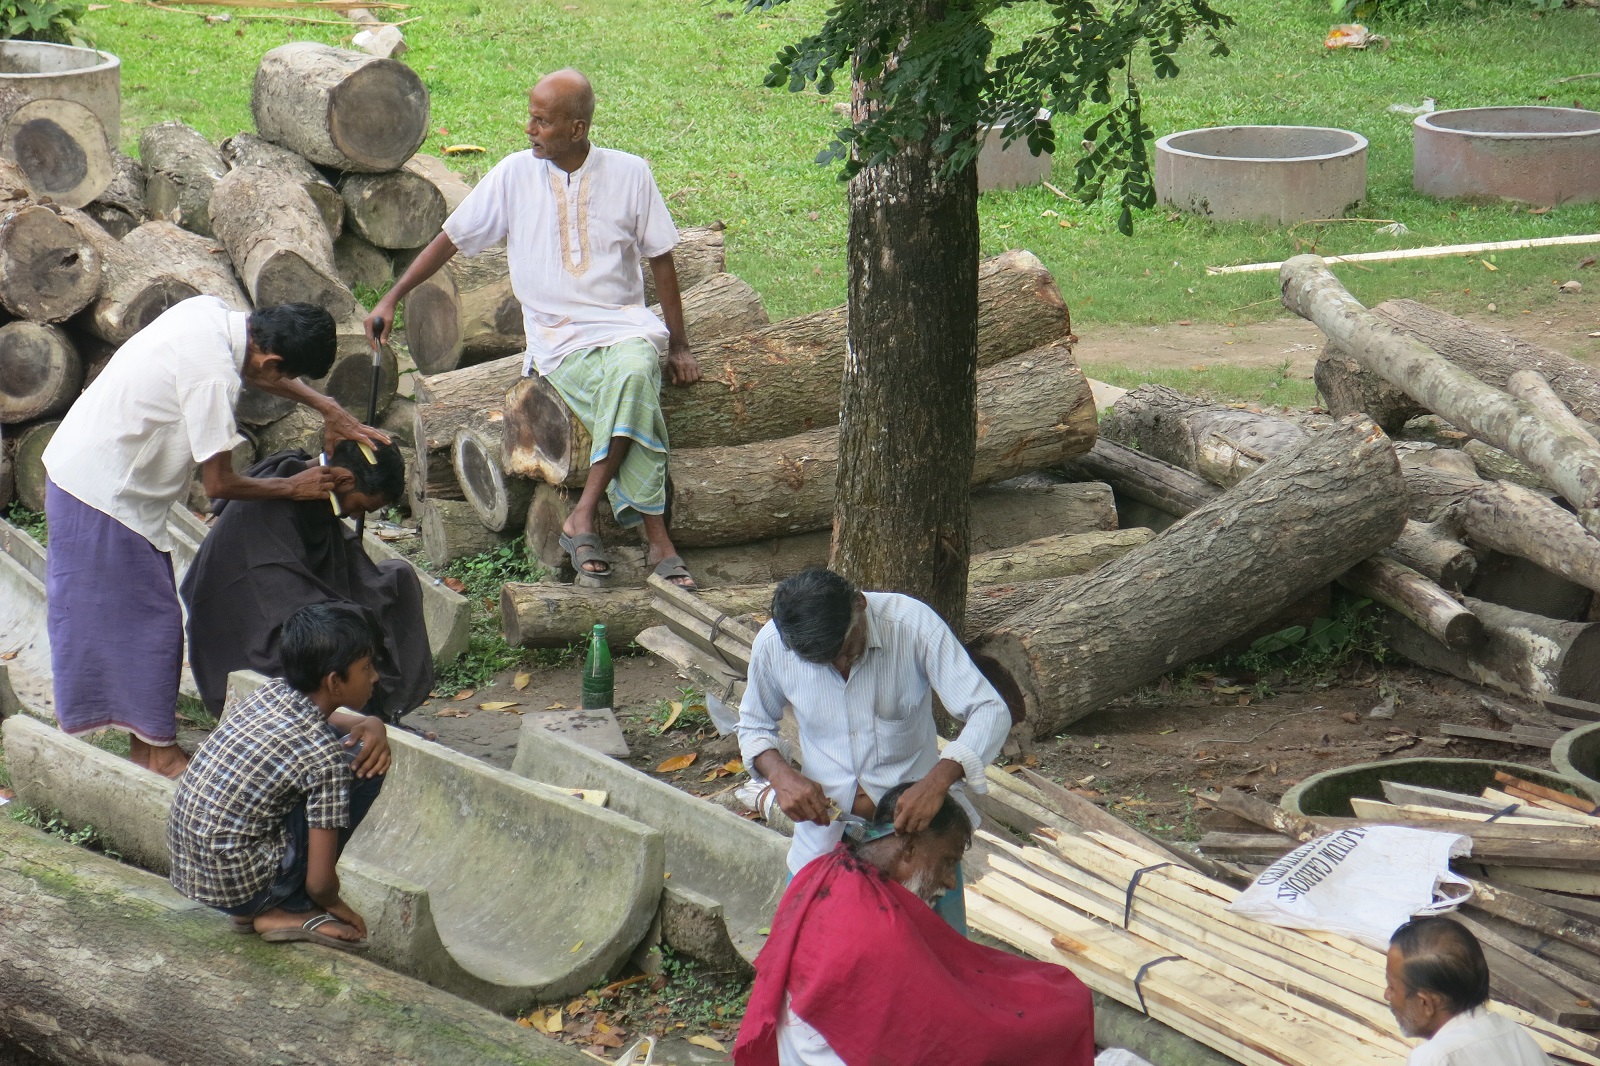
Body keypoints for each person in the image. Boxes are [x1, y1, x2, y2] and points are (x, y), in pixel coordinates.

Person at [366, 67, 701, 589]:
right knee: (633, 394)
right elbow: (450, 240)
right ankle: (657, 540)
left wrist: (679, 345)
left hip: (623, 326)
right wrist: (391, 296)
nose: (529, 129)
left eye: (542, 121)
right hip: (558, 338)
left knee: (635, 371)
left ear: (577, 128)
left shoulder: (632, 174)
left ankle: (582, 513)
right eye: (530, 117)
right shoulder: (513, 175)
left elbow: (662, 260)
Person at [42, 296, 387, 778]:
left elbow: (266, 374)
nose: (283, 385)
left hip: (90, 467)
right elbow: (219, 485)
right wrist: (292, 486)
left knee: (133, 621)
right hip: (100, 490)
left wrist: (324, 404)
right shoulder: (214, 380)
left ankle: (145, 748)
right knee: (153, 627)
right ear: (271, 361)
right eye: (284, 377)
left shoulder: (210, 314)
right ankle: (158, 756)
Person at [733, 784, 1096, 1066]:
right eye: (947, 861)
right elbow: (945, 1038)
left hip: (821, 1045)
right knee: (1060, 1006)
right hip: (835, 1053)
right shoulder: (875, 932)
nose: (951, 882)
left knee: (1054, 992)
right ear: (908, 850)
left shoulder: (827, 871)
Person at [736, 567, 1012, 933]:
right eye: (825, 663)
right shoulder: (774, 644)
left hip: (916, 835)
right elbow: (754, 726)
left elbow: (989, 709)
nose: (841, 665)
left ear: (860, 606)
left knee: (936, 959)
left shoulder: (912, 625)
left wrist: (935, 784)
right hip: (826, 833)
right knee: (816, 951)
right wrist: (780, 775)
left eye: (847, 651)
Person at [167, 602, 391, 951]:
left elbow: (331, 723)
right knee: (366, 763)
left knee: (336, 758)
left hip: (192, 870)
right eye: (366, 667)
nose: (374, 676)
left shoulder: (272, 692)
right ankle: (288, 910)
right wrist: (333, 904)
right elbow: (320, 884)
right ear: (334, 681)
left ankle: (252, 909)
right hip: (242, 886)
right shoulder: (323, 759)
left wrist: (372, 724)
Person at [179, 441, 432, 722]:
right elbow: (290, 608)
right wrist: (356, 618)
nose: (356, 516)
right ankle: (355, 719)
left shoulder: (316, 485)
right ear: (345, 480)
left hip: (295, 604)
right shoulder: (273, 514)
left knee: (398, 579)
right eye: (361, 507)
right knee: (344, 629)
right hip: (252, 637)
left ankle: (385, 711)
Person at [1385, 916, 1549, 1065]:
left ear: (1425, 1003)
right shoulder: (1515, 1035)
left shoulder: (1435, 1058)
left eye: (1391, 987)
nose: (1386, 995)